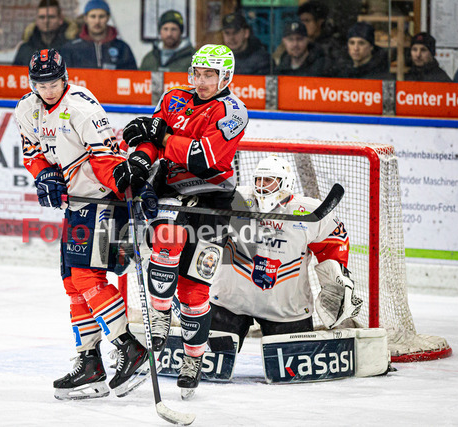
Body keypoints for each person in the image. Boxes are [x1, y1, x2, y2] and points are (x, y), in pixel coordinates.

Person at [14, 48, 152, 400]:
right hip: (75, 205)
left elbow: (106, 159)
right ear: (32, 83)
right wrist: (43, 174)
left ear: (65, 78)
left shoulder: (82, 108)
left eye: (54, 82)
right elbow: (32, 152)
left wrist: (130, 187)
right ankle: (90, 363)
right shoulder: (26, 108)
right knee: (71, 282)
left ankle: (129, 347)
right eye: (41, 84)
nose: (48, 90)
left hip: (103, 201)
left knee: (86, 277)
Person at [114, 44, 248, 399]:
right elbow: (149, 142)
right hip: (171, 191)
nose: (201, 82)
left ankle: (193, 359)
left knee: (194, 291)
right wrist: (141, 161)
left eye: (210, 75)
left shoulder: (233, 111)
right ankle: (159, 316)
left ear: (225, 77)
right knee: (167, 240)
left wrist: (161, 137)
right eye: (198, 74)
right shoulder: (174, 98)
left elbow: (202, 158)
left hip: (212, 198)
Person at [209, 156, 362, 350]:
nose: (261, 186)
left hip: (287, 307)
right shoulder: (234, 199)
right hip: (230, 300)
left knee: (292, 367)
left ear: (286, 183)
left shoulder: (308, 210)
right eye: (258, 179)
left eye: (268, 180)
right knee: (212, 360)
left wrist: (334, 280)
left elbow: (333, 242)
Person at [61, 0, 137, 70]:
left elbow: (133, 76)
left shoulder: (122, 48)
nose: (97, 21)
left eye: (101, 16)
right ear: (86, 18)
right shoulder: (71, 48)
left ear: (108, 18)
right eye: (93, 16)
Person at [12, 0, 78, 66]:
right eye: (42, 17)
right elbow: (15, 71)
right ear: (36, 20)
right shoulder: (25, 49)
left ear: (60, 19)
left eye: (51, 17)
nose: (46, 21)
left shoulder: (72, 48)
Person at [297, 0, 342, 75]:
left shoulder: (331, 47)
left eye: (307, 21)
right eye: (301, 21)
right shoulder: (295, 44)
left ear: (320, 22)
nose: (303, 25)